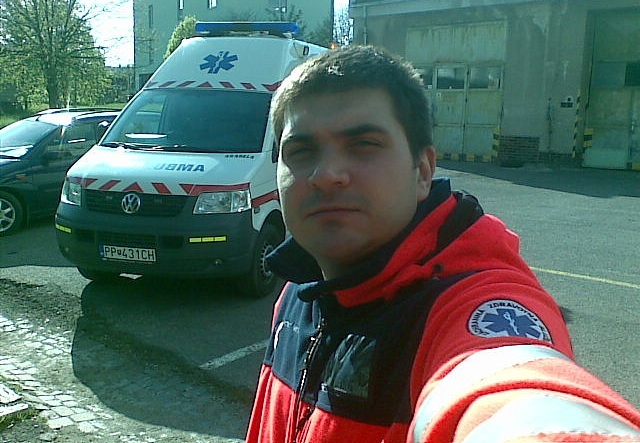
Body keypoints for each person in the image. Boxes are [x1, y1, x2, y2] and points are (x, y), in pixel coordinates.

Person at [245, 45, 640, 443]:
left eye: (364, 144)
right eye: (301, 151)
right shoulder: (300, 290)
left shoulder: (473, 304)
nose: (326, 174)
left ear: (422, 172)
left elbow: (514, 389)